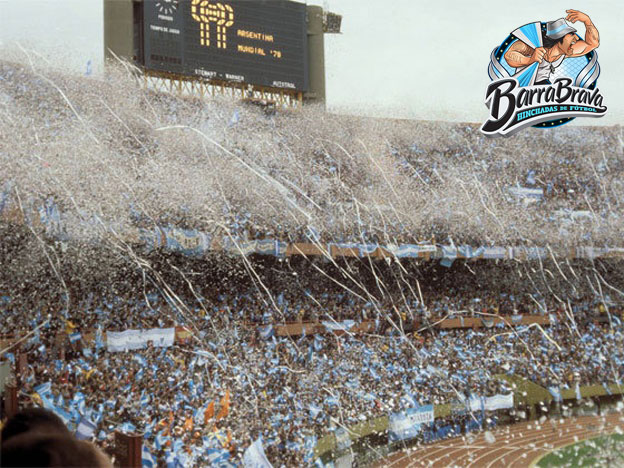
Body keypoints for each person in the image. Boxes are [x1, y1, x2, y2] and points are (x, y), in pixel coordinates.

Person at [504, 10, 600, 85]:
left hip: (542, 87)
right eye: (571, 34)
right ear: (558, 38)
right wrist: (529, 60)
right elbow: (508, 55)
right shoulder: (533, 45)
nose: (576, 37)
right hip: (522, 85)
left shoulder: (564, 52)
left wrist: (587, 21)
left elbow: (592, 43)